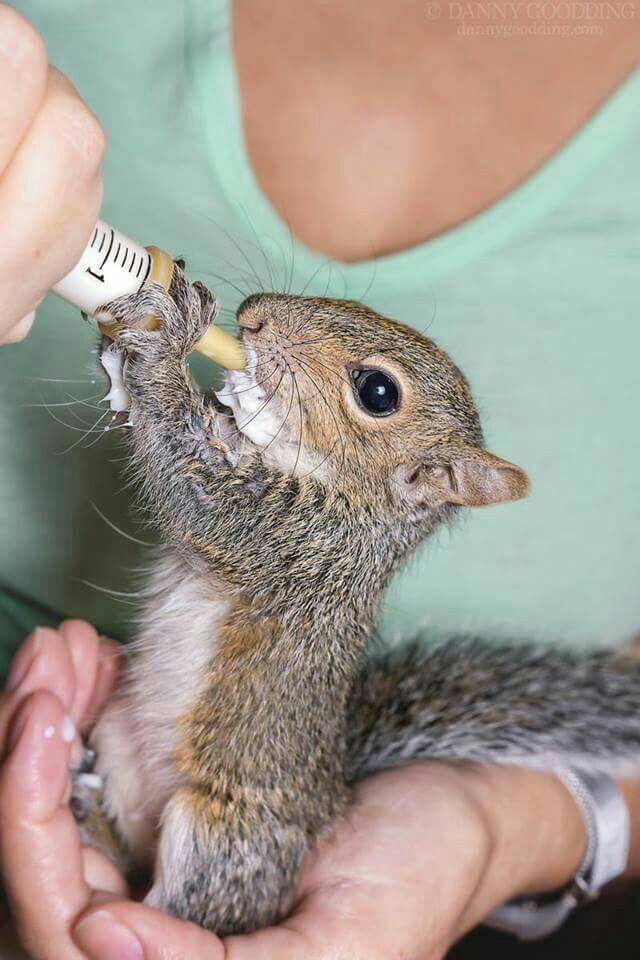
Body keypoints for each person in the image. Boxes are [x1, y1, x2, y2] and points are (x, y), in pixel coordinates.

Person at [0, 2, 639, 958]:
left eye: (369, 392)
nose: (266, 323)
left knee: (202, 838)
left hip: (219, 782)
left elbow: (202, 495)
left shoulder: (322, 529)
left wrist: (500, 823)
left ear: (422, 480)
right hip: (115, 711)